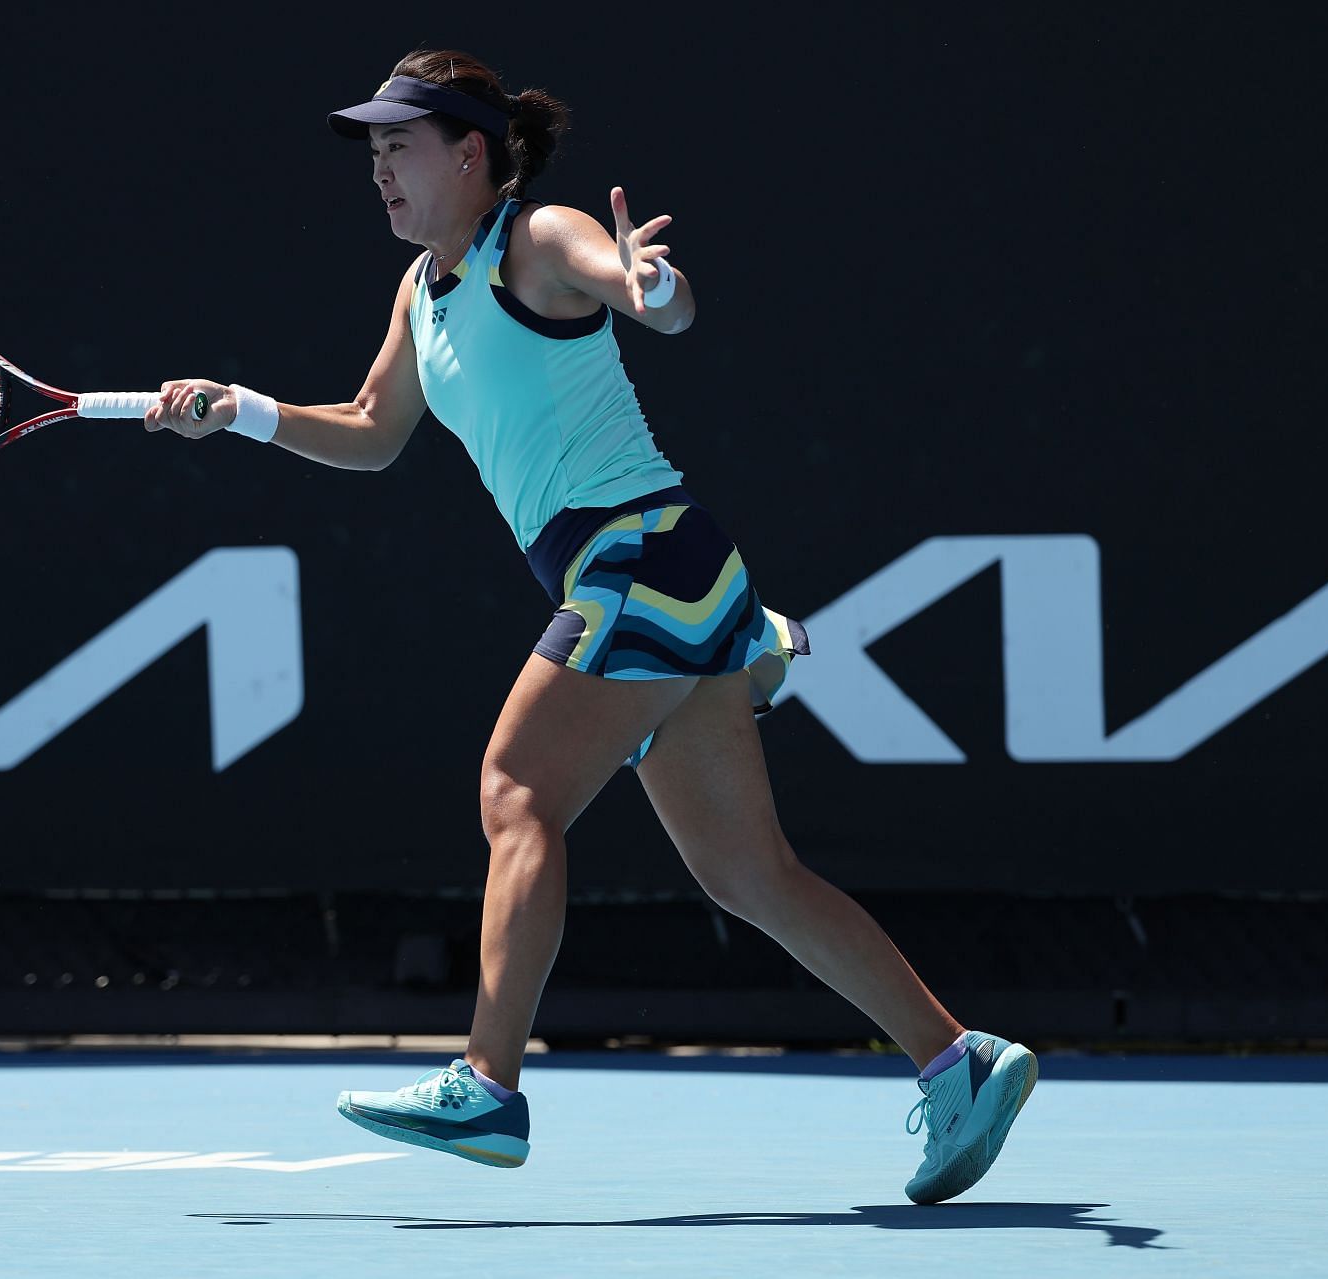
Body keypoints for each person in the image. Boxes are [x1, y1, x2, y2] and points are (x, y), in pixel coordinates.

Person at [144, 49, 1036, 1204]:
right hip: (676, 574)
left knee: (517, 789)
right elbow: (369, 429)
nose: (379, 173)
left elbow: (644, 292)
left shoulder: (538, 238)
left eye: (398, 148)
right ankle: (960, 1061)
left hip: (638, 559)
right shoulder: (425, 292)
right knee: (749, 874)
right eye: (370, 154)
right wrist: (242, 412)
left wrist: (652, 285)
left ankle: (488, 1083)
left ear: (471, 154)